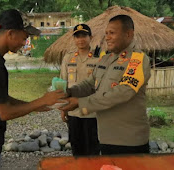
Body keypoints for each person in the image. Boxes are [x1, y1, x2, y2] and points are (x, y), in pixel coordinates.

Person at [0, 9, 66, 170]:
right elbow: (4, 112)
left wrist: (36, 105)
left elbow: (0, 97)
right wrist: (41, 101)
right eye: (24, 38)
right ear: (10, 33)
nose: (24, 43)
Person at [61, 15, 151, 155]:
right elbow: (89, 84)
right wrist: (69, 92)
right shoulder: (105, 59)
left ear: (128, 34)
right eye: (106, 33)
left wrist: (81, 103)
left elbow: (122, 93)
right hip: (105, 138)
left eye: (112, 33)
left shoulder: (138, 60)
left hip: (129, 141)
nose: (107, 37)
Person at [60, 24, 100, 156]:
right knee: (77, 149)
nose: (80, 39)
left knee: (93, 149)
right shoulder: (68, 58)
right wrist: (63, 108)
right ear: (74, 39)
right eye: (77, 36)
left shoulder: (99, 58)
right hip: (73, 112)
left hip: (92, 112)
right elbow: (63, 84)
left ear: (91, 37)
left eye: (84, 36)